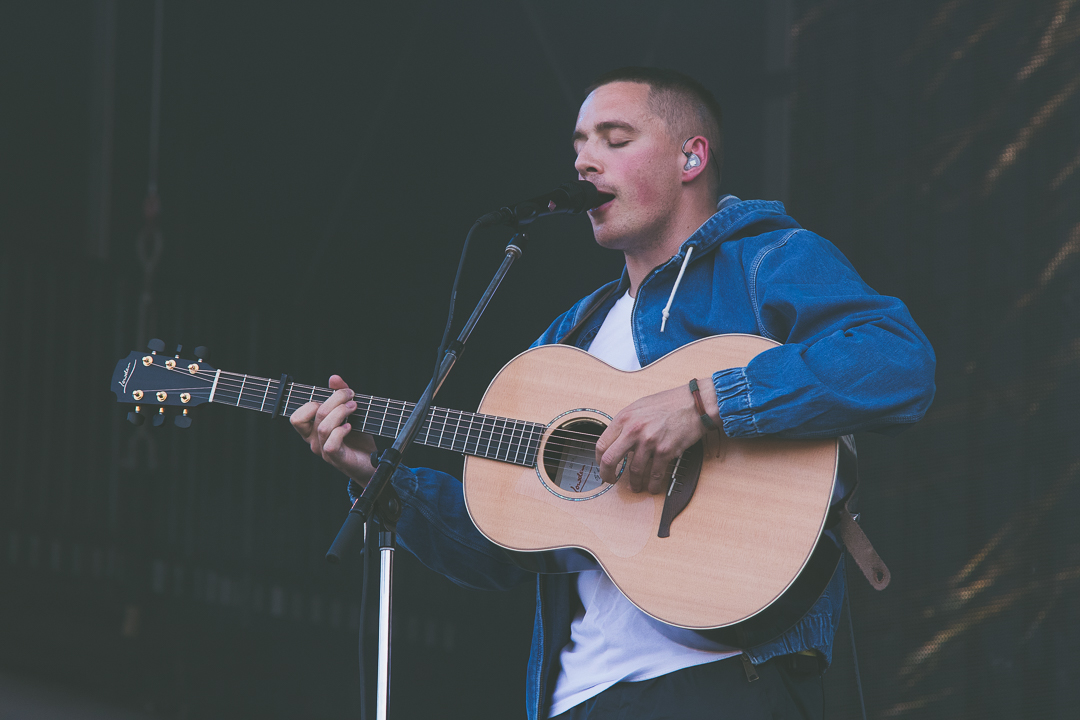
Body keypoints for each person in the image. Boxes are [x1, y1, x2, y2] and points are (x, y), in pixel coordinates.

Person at [291, 67, 936, 719]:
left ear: (691, 157)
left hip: (725, 682)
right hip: (577, 698)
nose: (584, 161)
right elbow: (502, 548)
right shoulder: (566, 341)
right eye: (579, 145)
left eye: (615, 139)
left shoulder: (764, 262)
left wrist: (705, 403)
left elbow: (897, 361)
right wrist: (378, 475)